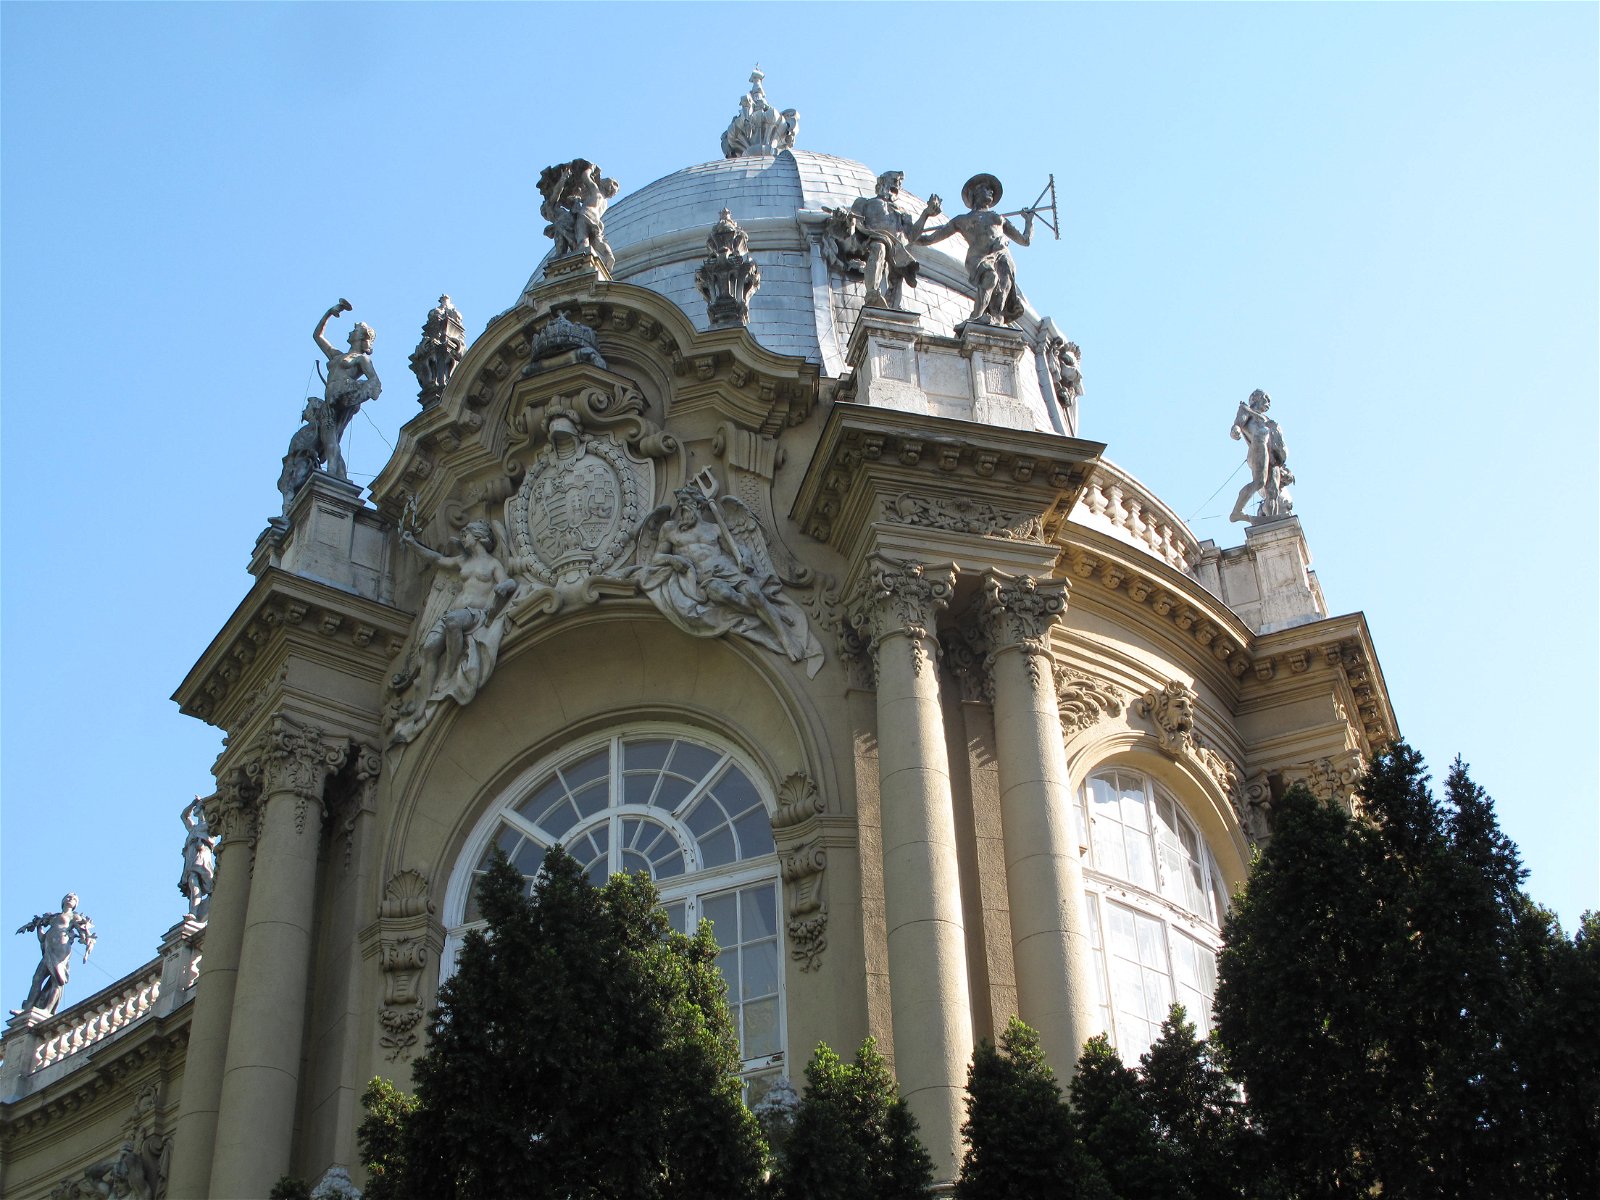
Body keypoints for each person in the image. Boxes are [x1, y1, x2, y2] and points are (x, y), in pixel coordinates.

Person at [396, 521, 520, 733]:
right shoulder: (464, 561)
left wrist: (502, 587)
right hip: (453, 613)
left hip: (475, 615)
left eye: (466, 535)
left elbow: (510, 582)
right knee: (428, 650)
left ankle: (448, 672)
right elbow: (437, 560)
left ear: (478, 537)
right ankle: (421, 704)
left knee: (453, 622)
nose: (463, 539)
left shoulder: (492, 564)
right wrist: (413, 544)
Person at [917, 173, 1034, 325]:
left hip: (1002, 255)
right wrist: (923, 218)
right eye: (986, 188)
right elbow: (929, 239)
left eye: (992, 189)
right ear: (974, 193)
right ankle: (975, 318)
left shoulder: (999, 219)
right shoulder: (962, 220)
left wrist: (1029, 222)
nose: (991, 191)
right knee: (990, 278)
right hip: (978, 257)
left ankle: (996, 319)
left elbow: (1024, 240)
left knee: (1003, 288)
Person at [831, 171, 944, 309]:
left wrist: (926, 214)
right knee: (879, 247)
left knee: (899, 267)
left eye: (898, 184)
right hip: (872, 238)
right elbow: (853, 222)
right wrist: (844, 217)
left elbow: (912, 236)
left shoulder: (903, 212)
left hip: (896, 246)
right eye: (893, 181)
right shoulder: (865, 203)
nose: (896, 186)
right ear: (881, 183)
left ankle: (893, 305)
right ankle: (872, 294)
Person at [312, 300, 382, 480]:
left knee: (331, 437)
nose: (351, 331)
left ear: (362, 337)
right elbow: (317, 336)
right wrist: (330, 313)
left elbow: (374, 381)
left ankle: (331, 474)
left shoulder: (361, 359)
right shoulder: (337, 355)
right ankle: (339, 474)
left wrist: (356, 393)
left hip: (343, 398)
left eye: (355, 329)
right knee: (330, 438)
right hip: (330, 400)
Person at [12, 893, 96, 1016]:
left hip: (61, 949)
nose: (70, 899)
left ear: (75, 904)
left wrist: (87, 941)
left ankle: (48, 1009)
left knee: (57, 979)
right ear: (63, 901)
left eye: (74, 899)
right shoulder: (53, 917)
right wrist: (38, 927)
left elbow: (84, 931)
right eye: (68, 897)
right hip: (49, 948)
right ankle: (28, 1007)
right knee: (37, 978)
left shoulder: (74, 916)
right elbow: (42, 938)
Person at [1228, 389, 1292, 523]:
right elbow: (1237, 425)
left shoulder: (1267, 419)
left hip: (1273, 456)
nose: (1268, 403)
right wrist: (1235, 431)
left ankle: (1272, 519)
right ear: (1255, 398)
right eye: (1266, 398)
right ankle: (1237, 512)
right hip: (1258, 446)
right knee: (1259, 482)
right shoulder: (1245, 410)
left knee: (1273, 490)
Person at [178, 797, 218, 920]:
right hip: (191, 858)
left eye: (199, 807)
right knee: (193, 881)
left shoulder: (210, 825)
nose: (196, 809)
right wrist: (192, 804)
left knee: (210, 883)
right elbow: (184, 816)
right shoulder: (194, 828)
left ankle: (213, 901)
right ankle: (194, 912)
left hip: (202, 857)